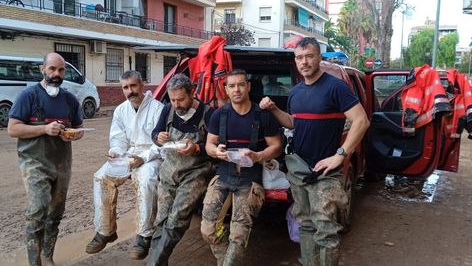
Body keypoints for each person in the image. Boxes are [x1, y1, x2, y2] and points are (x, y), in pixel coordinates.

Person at [260, 37, 370, 265]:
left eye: (309, 56)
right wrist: (273, 109)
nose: (304, 62)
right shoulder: (296, 92)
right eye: (299, 58)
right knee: (306, 223)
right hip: (299, 168)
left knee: (326, 229)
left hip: (326, 171)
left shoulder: (335, 87)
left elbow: (361, 121)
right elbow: (293, 123)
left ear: (320, 57)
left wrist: (340, 154)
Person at [7, 53, 84, 266]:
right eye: (52, 69)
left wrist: (74, 134)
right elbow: (12, 129)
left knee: (56, 211)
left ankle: (47, 255)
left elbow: (79, 129)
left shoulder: (69, 99)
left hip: (62, 162)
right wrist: (44, 128)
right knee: (38, 207)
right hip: (34, 162)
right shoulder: (28, 96)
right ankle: (35, 261)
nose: (56, 74)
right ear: (43, 69)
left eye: (61, 70)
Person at [202, 69, 283, 266]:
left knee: (238, 235)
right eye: (231, 86)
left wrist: (259, 156)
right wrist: (216, 151)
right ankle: (226, 260)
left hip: (250, 179)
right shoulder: (218, 115)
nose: (236, 89)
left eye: (240, 84)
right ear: (226, 90)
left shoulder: (263, 116)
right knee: (208, 230)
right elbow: (208, 145)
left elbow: (277, 147)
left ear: (248, 86)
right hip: (223, 176)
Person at [85, 70, 164, 260]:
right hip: (128, 155)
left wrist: (143, 158)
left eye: (133, 86)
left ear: (142, 86)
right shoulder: (121, 110)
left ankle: (144, 235)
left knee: (146, 181)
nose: (130, 91)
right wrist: (116, 153)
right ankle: (106, 230)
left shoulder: (158, 108)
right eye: (126, 87)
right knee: (101, 176)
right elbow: (118, 139)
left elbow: (161, 144)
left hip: (151, 157)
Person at [147, 73, 215, 266]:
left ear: (192, 93)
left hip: (196, 172)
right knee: (161, 219)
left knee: (177, 219)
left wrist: (196, 148)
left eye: (181, 99)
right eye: (173, 99)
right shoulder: (168, 110)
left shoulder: (208, 113)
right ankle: (158, 261)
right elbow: (154, 134)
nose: (176, 104)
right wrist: (157, 137)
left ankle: (154, 263)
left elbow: (215, 148)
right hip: (169, 171)